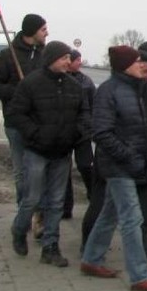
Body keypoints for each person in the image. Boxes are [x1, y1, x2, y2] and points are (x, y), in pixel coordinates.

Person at [80, 46, 147, 291]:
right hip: (119, 166)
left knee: (110, 213)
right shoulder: (108, 91)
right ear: (124, 65)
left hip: (139, 162)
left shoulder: (140, 88)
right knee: (132, 218)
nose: (142, 65)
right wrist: (129, 156)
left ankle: (90, 260)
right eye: (136, 61)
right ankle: (140, 276)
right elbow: (101, 132)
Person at [9, 41, 89, 267]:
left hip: (62, 152)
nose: (68, 61)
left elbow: (84, 113)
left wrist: (77, 134)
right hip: (36, 151)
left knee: (56, 202)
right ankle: (19, 229)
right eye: (63, 58)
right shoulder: (31, 84)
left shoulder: (74, 86)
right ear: (51, 59)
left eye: (68, 58)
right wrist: (35, 134)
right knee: (31, 198)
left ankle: (50, 247)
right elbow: (16, 115)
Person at [0, 13, 48, 205]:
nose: (47, 33)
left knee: (40, 170)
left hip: (41, 122)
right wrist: (18, 90)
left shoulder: (45, 55)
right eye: (43, 29)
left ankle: (39, 212)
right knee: (21, 171)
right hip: (16, 122)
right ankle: (24, 211)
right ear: (32, 31)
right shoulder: (7, 55)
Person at [63, 49, 95, 219]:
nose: (80, 63)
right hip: (65, 133)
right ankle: (66, 208)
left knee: (85, 165)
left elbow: (94, 105)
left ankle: (93, 195)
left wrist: (91, 125)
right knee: (64, 172)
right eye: (77, 60)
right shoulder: (60, 80)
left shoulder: (87, 82)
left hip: (84, 133)